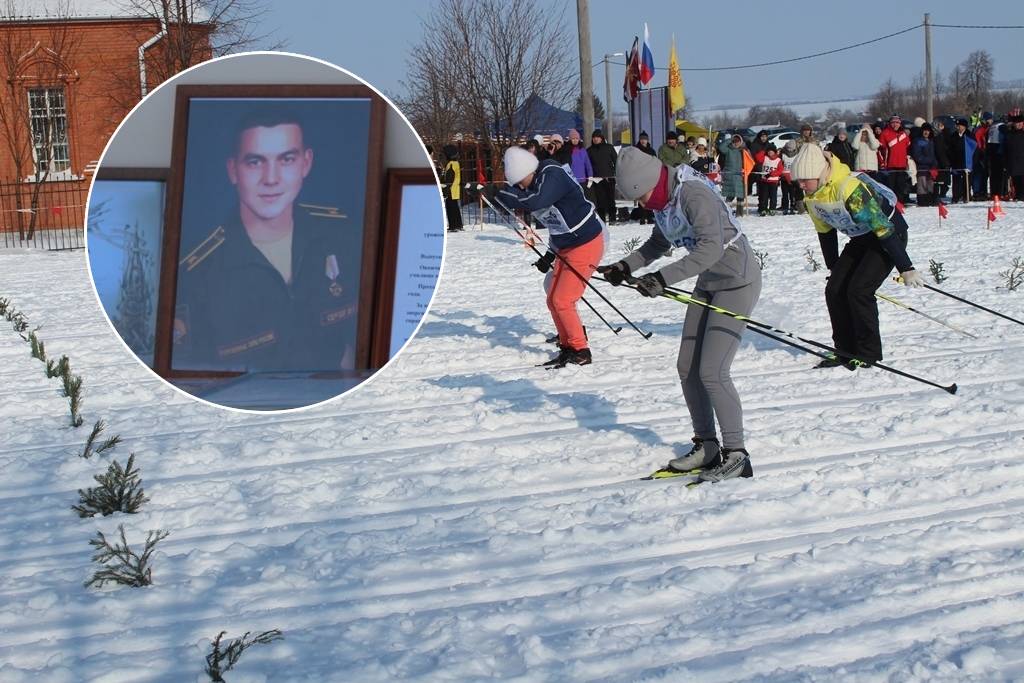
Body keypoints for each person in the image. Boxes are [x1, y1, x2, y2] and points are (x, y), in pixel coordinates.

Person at [600, 146, 762, 483]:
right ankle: (708, 446)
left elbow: (710, 248)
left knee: (713, 371)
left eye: (642, 196)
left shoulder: (693, 194)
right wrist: (624, 266)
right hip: (709, 281)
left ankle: (737, 454)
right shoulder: (665, 200)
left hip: (736, 281)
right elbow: (659, 243)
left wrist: (662, 279)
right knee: (687, 367)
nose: (642, 204)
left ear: (652, 183)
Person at [175, 109, 358, 372]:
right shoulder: (198, 272)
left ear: (306, 163)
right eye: (255, 162)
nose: (271, 179)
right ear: (233, 170)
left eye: (286, 159)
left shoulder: (345, 238)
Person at [789, 142, 925, 370]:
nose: (801, 184)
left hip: (889, 236)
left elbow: (883, 228)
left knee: (858, 290)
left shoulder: (848, 188)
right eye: (798, 180)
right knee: (834, 290)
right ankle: (844, 351)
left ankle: (868, 354)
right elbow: (826, 233)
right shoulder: (812, 197)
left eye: (805, 179)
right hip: (862, 238)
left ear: (820, 174)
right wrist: (835, 269)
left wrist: (906, 267)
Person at [495, 146, 604, 367]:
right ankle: (568, 346)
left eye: (519, 183)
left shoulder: (551, 173)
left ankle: (581, 349)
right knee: (553, 298)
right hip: (566, 245)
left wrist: (501, 193)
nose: (519, 188)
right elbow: (556, 224)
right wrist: (549, 254)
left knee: (562, 300)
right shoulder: (537, 181)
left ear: (526, 172)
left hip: (586, 243)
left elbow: (535, 201)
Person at [878, 114, 911, 205]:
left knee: (901, 186)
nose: (895, 125)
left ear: (900, 124)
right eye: (893, 123)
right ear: (890, 123)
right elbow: (880, 150)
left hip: (902, 165)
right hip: (890, 165)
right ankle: (891, 204)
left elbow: (908, 146)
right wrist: (882, 163)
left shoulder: (903, 134)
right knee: (890, 187)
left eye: (897, 123)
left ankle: (900, 203)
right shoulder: (885, 133)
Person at [587, 129, 618, 224]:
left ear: (601, 138)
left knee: (610, 199)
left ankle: (612, 218)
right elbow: (587, 165)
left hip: (609, 178)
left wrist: (615, 173)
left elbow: (616, 161)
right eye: (594, 138)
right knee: (600, 200)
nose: (596, 139)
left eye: (598, 137)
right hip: (596, 179)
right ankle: (602, 219)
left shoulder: (609, 147)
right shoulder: (589, 150)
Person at [910, 123, 938, 206]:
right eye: (925, 130)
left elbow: (934, 154)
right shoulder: (917, 141)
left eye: (928, 131)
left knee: (930, 185)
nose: (926, 132)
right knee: (922, 186)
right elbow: (917, 156)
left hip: (930, 168)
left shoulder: (931, 141)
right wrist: (930, 161)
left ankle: (930, 200)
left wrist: (934, 163)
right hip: (921, 167)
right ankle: (922, 201)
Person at [442, 144, 464, 232]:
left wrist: (445, 191)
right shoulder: (456, 163)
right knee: (455, 208)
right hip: (455, 189)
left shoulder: (450, 164)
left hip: (450, 190)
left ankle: (453, 226)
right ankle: (458, 225)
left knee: (451, 208)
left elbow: (449, 179)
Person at [756, 144, 783, 216]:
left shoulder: (778, 160)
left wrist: (771, 174)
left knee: (773, 196)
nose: (770, 153)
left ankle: (772, 208)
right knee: (764, 196)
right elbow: (757, 158)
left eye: (771, 152)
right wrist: (764, 150)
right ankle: (763, 209)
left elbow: (780, 170)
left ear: (774, 152)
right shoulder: (765, 158)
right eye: (768, 152)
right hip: (764, 181)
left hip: (773, 181)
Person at [1005, 108, 1024, 201]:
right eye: (1017, 123)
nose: (1019, 124)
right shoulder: (1010, 135)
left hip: (1022, 161)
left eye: (1020, 122)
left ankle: (1021, 196)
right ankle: (1018, 195)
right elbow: (1006, 149)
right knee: (1016, 180)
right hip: (1013, 162)